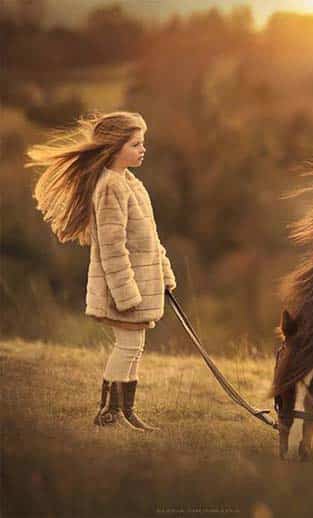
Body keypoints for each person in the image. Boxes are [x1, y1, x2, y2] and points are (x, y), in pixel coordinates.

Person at [26, 111, 176, 431]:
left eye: (142, 143)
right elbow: (111, 248)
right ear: (114, 148)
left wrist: (164, 273)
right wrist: (126, 294)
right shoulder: (110, 187)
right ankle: (109, 413)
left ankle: (126, 411)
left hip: (140, 284)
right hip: (122, 289)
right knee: (128, 346)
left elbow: (150, 238)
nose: (143, 149)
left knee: (135, 347)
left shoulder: (131, 183)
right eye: (136, 144)